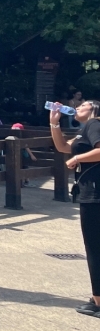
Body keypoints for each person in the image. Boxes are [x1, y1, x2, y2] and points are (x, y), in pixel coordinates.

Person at [48, 98, 100, 318]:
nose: (77, 107)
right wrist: (54, 123)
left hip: (96, 194)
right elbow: (62, 147)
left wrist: (77, 158)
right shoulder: (84, 130)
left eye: (82, 105)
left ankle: (98, 301)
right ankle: (96, 297)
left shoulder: (95, 123)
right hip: (90, 192)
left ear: (94, 109)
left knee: (95, 248)